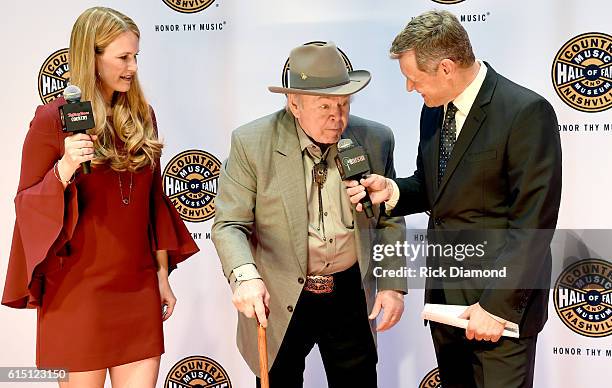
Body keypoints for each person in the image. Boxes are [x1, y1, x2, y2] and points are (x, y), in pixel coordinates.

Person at [346, 10, 562, 388]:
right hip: (446, 303)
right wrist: (393, 190)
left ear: (446, 68)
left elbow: (533, 224)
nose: (411, 89)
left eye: (414, 79)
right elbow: (436, 188)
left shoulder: (525, 112)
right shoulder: (433, 113)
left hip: (499, 310)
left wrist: (495, 308)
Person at [2, 7, 199, 388]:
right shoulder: (51, 120)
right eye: (123, 57)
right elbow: (25, 203)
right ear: (90, 56)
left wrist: (162, 276)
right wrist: (64, 168)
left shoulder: (143, 115)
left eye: (136, 56)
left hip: (137, 288)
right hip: (76, 294)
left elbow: (154, 204)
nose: (133, 67)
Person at [212, 42, 407, 388]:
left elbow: (389, 217)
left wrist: (392, 285)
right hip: (280, 289)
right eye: (324, 106)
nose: (338, 117)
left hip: (349, 291)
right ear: (294, 104)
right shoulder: (252, 142)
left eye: (343, 103)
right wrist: (245, 276)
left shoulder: (375, 139)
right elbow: (229, 224)